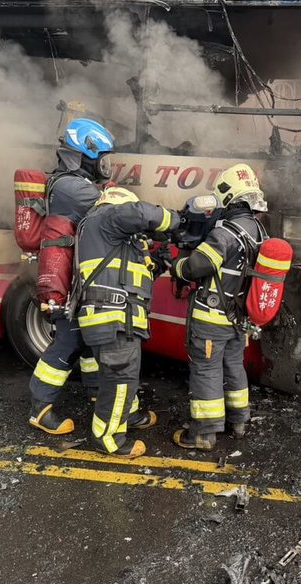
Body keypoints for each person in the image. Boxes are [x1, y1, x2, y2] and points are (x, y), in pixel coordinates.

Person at [76, 186, 180, 457]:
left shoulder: (112, 237)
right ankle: (108, 438)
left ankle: (129, 417)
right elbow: (140, 212)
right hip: (111, 316)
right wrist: (176, 219)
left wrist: (157, 262)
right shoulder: (105, 217)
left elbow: (132, 277)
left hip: (118, 317)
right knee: (120, 378)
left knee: (123, 375)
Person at [170, 163, 267, 451]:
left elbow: (200, 265)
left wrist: (178, 267)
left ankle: (203, 433)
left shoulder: (225, 233)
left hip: (212, 317)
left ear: (229, 196)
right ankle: (239, 421)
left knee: (206, 369)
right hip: (238, 319)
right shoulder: (259, 230)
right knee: (233, 366)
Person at [28, 118, 115, 435]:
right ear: (83, 155)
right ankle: (40, 407)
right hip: (64, 279)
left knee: (88, 338)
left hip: (75, 274)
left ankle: (95, 393)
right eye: (102, 158)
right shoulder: (72, 187)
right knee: (67, 340)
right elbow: (113, 212)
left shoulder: (76, 184)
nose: (106, 165)